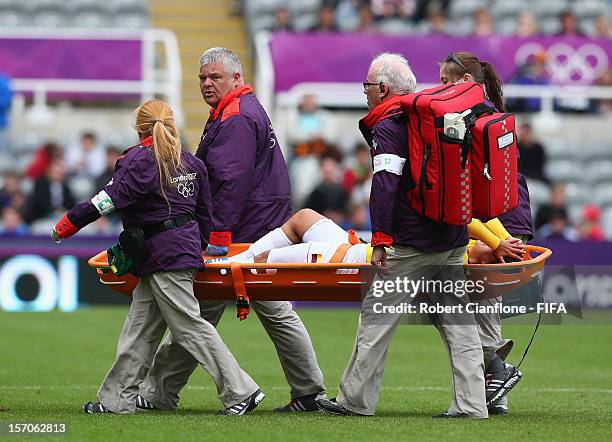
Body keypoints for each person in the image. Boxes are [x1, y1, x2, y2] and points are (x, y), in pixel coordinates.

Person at [138, 47, 326, 414]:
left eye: (215, 77)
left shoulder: (236, 116)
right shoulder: (240, 109)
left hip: (242, 234)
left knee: (197, 315)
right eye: (203, 78)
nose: (207, 84)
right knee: (266, 309)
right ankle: (308, 390)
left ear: (236, 78)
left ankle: (161, 391)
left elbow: (229, 182)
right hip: (261, 226)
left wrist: (219, 238)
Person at [50, 99, 263, 415]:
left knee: (190, 327)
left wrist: (66, 225)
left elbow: (107, 201)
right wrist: (199, 247)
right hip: (176, 254)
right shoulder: (192, 164)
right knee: (139, 332)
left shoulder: (138, 161)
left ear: (139, 128)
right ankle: (116, 400)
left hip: (162, 255)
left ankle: (241, 391)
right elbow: (206, 215)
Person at [316, 53, 489, 418]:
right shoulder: (434, 117)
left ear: (383, 88)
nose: (364, 92)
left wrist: (379, 238)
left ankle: (354, 402)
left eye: (367, 86)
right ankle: (473, 406)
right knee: (461, 327)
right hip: (452, 238)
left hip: (410, 244)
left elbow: (385, 184)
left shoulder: (390, 124)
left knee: (376, 321)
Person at [439, 51, 534, 415]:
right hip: (510, 213)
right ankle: (495, 391)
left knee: (473, 304)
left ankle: (495, 374)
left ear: (463, 82)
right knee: (479, 303)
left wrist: (495, 239)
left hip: (498, 219)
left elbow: (471, 189)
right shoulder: (491, 113)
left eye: (446, 82)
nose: (440, 89)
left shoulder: (470, 118)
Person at [214, 208, 524, 267]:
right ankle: (233, 261)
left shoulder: (469, 257)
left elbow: (469, 220)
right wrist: (506, 240)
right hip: (362, 249)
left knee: (267, 262)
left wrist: (498, 245)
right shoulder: (478, 249)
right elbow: (486, 218)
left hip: (354, 259)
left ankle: (229, 265)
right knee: (304, 217)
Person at [23, 158, 76, 224]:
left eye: (60, 173)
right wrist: (54, 211)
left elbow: (71, 204)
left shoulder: (66, 188)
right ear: (49, 172)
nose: (59, 175)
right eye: (56, 172)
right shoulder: (40, 185)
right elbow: (38, 203)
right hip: (44, 218)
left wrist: (64, 211)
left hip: (62, 219)